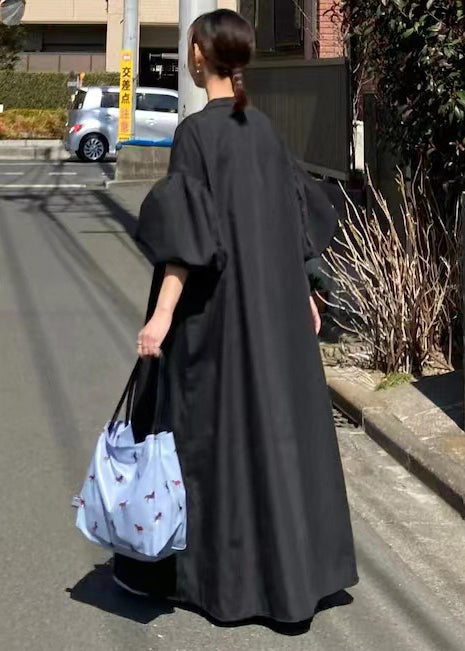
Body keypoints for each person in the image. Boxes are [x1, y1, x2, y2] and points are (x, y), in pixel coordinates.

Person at [113, 9, 358, 628]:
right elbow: (294, 217)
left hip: (216, 317)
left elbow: (186, 237)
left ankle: (220, 578)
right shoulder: (265, 131)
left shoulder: (196, 134)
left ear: (200, 56)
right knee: (275, 434)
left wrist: (160, 317)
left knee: (211, 439)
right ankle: (293, 579)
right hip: (275, 310)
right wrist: (305, 289)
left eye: (190, 47)